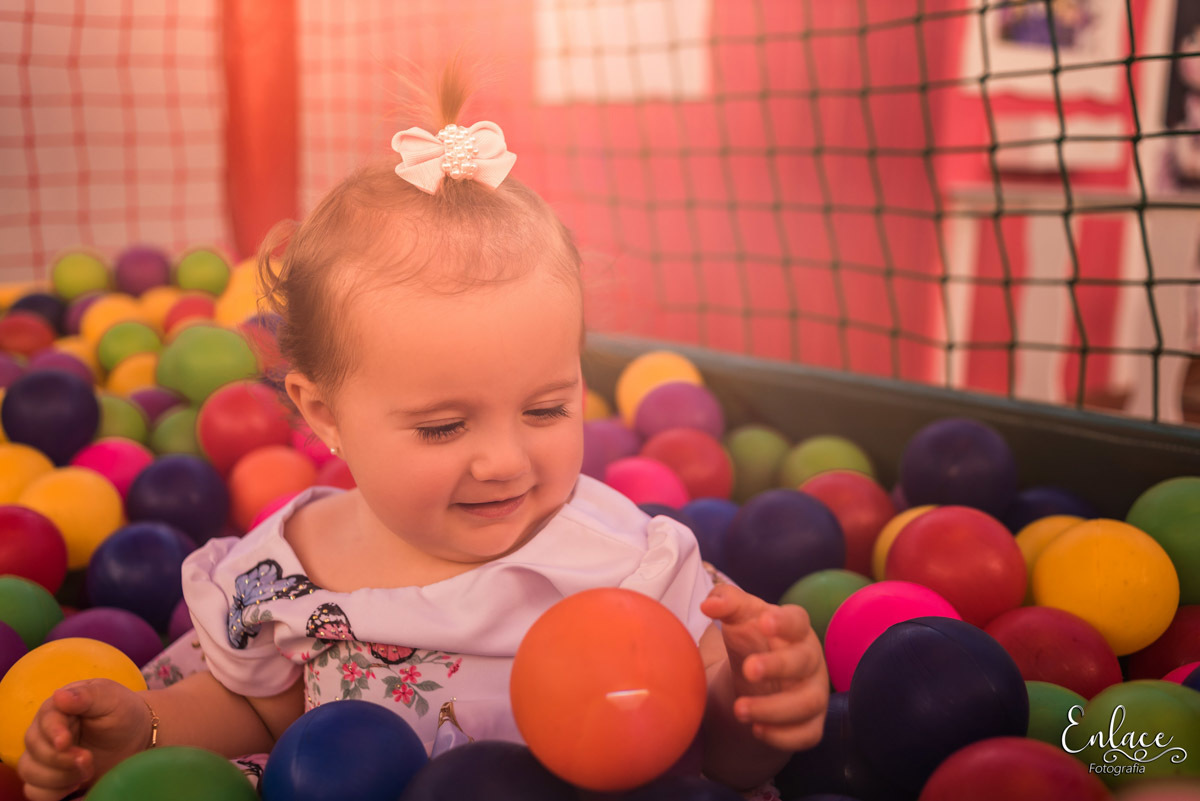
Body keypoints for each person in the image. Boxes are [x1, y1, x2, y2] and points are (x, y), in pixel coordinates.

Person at [17, 63, 828, 801]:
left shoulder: (628, 564)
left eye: (546, 408)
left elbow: (715, 755)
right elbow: (250, 712)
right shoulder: (287, 572)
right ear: (323, 411)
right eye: (443, 426)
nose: (507, 460)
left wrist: (755, 704)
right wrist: (145, 729)